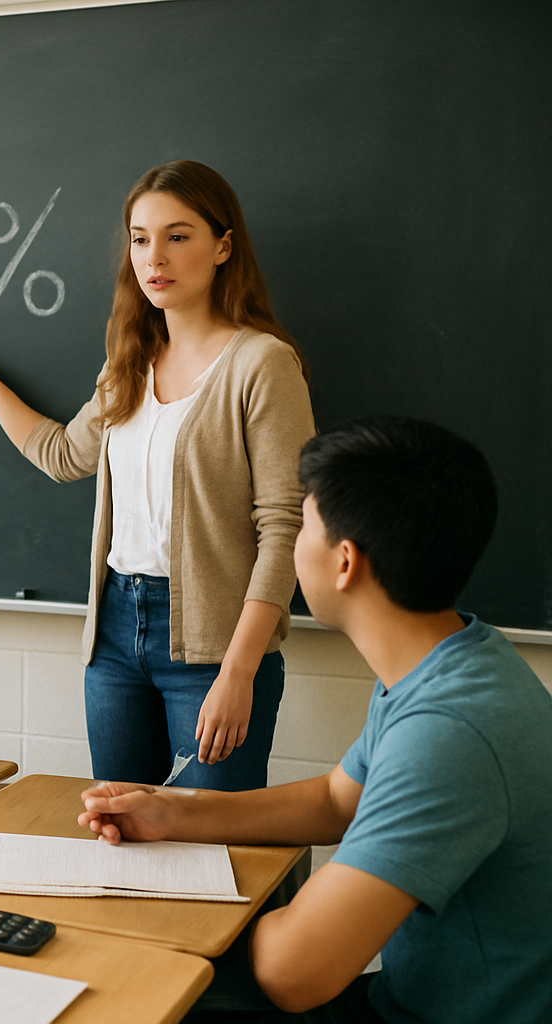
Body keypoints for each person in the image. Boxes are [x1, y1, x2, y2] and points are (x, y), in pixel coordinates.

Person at [78, 417, 552, 1023]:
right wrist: (174, 812)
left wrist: (190, 916)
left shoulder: (450, 731)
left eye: (303, 523)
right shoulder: (457, 659)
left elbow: (292, 975)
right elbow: (336, 800)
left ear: (345, 562)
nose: (289, 542)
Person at [0, 160, 313, 790]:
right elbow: (62, 455)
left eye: (178, 236)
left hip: (214, 648)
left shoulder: (262, 364)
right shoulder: (129, 361)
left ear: (223, 246)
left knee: (209, 849)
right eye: (140, 238)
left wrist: (239, 672)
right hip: (113, 639)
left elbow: (285, 526)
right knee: (119, 836)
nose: (155, 256)